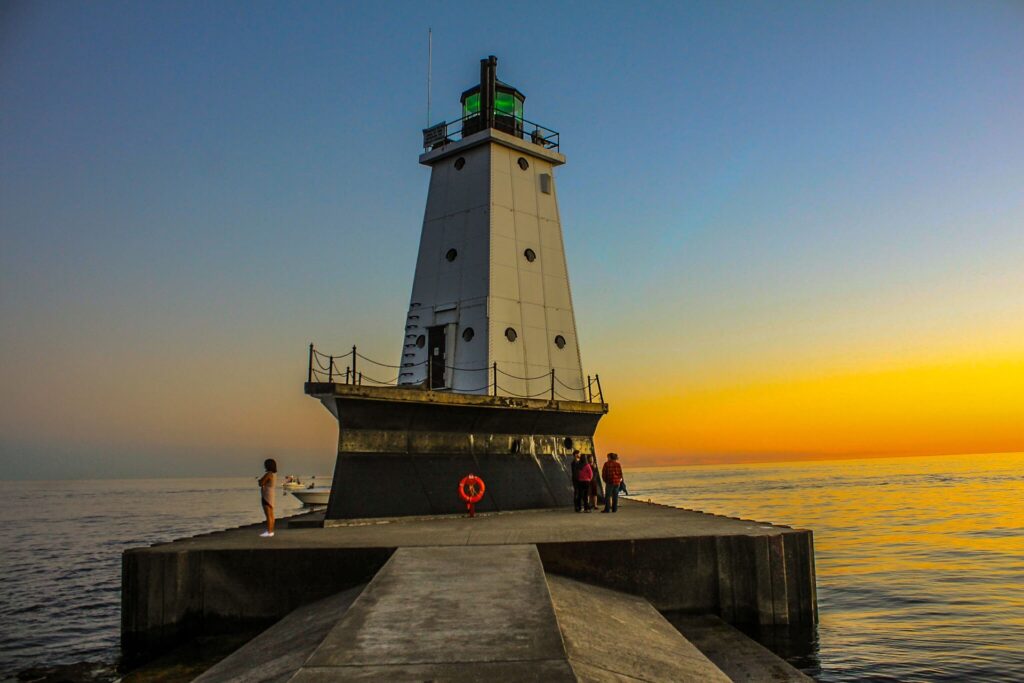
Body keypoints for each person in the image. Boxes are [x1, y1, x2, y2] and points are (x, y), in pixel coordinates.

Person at [258, 458, 277, 537]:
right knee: (271, 514)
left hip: (266, 495)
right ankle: (271, 530)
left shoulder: (268, 474)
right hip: (271, 494)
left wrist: (260, 480)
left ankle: (269, 531)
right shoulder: (274, 474)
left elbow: (261, 483)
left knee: (268, 514)